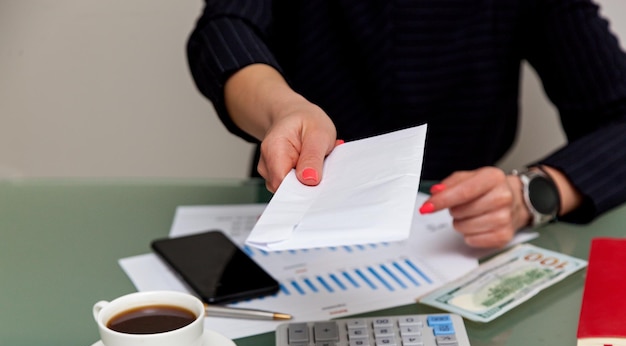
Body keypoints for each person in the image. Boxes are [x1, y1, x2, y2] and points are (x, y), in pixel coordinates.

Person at [186, 0, 626, 248]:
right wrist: (282, 108)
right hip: (297, 206)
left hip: (457, 228)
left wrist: (530, 193)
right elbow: (226, 28)